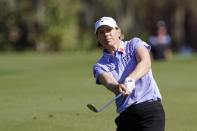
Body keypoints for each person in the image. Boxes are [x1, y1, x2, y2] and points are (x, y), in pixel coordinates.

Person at [92, 17, 165, 131]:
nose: (106, 34)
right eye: (101, 32)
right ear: (98, 38)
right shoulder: (99, 66)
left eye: (109, 29)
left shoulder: (134, 44)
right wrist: (117, 87)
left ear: (118, 31)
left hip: (150, 111)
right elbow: (108, 82)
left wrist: (130, 79)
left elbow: (145, 63)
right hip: (126, 116)